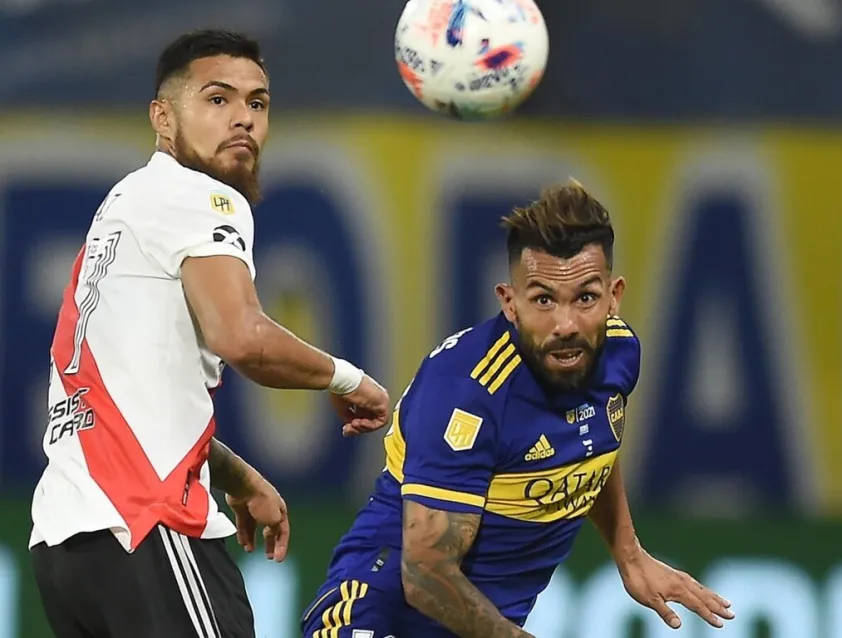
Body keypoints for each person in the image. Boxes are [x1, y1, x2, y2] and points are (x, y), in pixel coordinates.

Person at [28, 29, 390, 638]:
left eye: (257, 102)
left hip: (68, 543)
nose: (243, 118)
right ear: (162, 118)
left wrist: (238, 478)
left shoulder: (123, 208)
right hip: (145, 526)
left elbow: (133, 403)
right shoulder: (197, 195)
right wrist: (347, 379)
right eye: (218, 99)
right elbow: (241, 336)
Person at [301, 181, 736, 638]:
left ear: (614, 297)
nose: (565, 325)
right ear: (510, 303)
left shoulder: (619, 353)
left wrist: (629, 555)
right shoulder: (466, 394)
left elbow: (594, 446)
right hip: (376, 610)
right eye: (543, 300)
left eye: (585, 298)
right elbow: (425, 575)